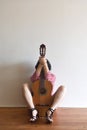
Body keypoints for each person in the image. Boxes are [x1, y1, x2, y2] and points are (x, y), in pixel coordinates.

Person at [22, 44, 66, 123]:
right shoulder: (34, 76)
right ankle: (33, 110)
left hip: (49, 101)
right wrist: (40, 64)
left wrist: (44, 64)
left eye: (45, 67)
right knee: (24, 85)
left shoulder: (52, 76)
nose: (42, 69)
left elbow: (48, 79)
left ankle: (50, 110)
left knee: (63, 88)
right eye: (40, 67)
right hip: (35, 101)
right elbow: (35, 78)